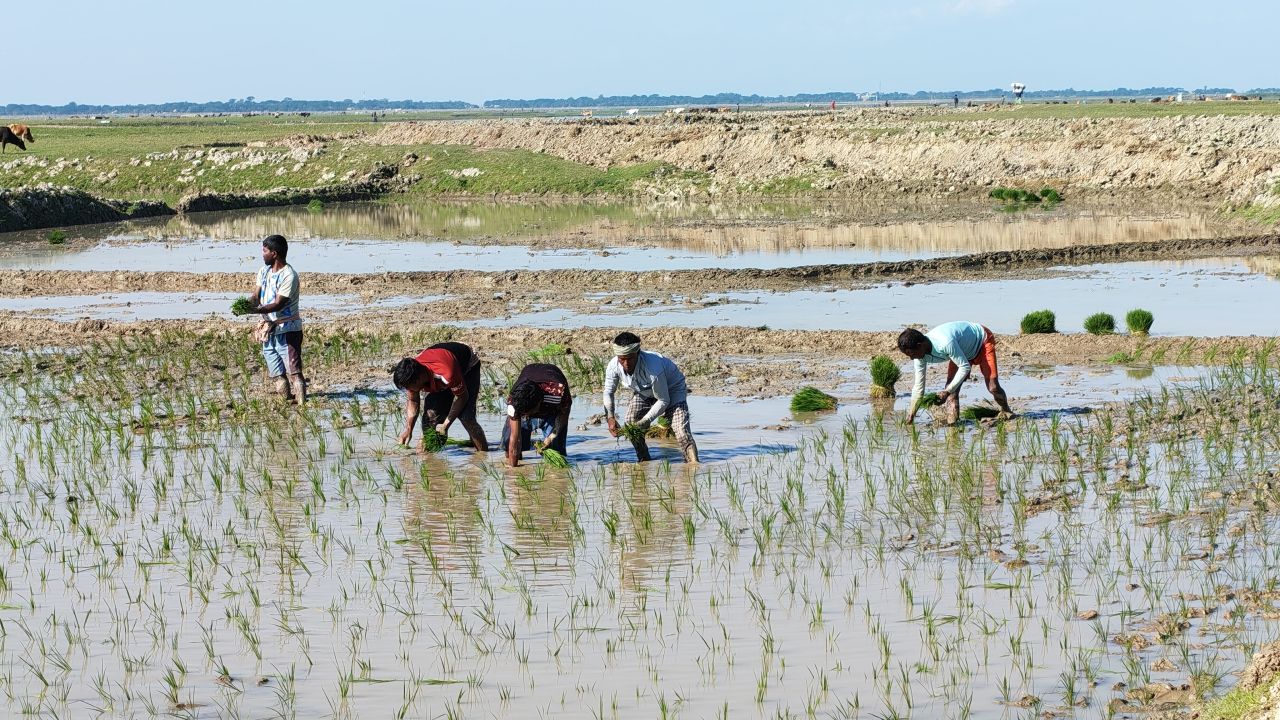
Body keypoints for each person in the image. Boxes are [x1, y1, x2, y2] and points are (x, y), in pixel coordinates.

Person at [603, 331, 699, 463]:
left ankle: (694, 464)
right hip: (644, 391)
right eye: (622, 359)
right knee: (631, 422)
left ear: (638, 353)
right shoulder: (613, 366)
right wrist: (610, 417)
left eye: (630, 358)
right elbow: (608, 391)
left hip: (672, 390)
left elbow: (664, 400)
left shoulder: (653, 367)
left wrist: (646, 420)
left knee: (681, 430)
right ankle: (644, 460)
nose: (626, 364)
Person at [897, 321, 1013, 425]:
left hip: (981, 342)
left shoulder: (945, 343)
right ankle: (953, 427)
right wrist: (911, 415)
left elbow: (964, 367)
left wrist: (946, 392)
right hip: (961, 351)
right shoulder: (919, 356)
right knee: (952, 391)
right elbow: (918, 387)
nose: (912, 359)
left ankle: (1006, 410)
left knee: (993, 387)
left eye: (911, 354)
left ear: (919, 346)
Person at [392, 342, 489, 451]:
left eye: (408, 387)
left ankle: (483, 456)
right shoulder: (411, 376)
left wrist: (446, 425)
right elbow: (413, 401)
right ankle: (427, 460)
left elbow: (463, 397)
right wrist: (408, 430)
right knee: (430, 417)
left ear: (418, 379)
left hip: (467, 367)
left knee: (466, 417)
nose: (408, 389)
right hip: (442, 375)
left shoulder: (447, 373)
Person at [248, 234, 305, 404]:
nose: (262, 254)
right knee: (277, 373)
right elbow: (256, 296)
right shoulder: (263, 271)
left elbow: (279, 304)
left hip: (287, 329)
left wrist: (256, 310)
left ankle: (302, 404)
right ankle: (286, 401)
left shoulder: (289, 275)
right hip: (269, 329)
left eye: (264, 251)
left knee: (294, 372)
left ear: (274, 253)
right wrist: (246, 305)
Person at [503, 363, 573, 467]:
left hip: (552, 410)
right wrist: (513, 471)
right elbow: (515, 438)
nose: (529, 416)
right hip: (528, 402)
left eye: (530, 413)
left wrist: (551, 437)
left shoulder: (558, 392)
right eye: (524, 414)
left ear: (540, 402)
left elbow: (563, 416)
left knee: (557, 452)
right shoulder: (514, 401)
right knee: (509, 447)